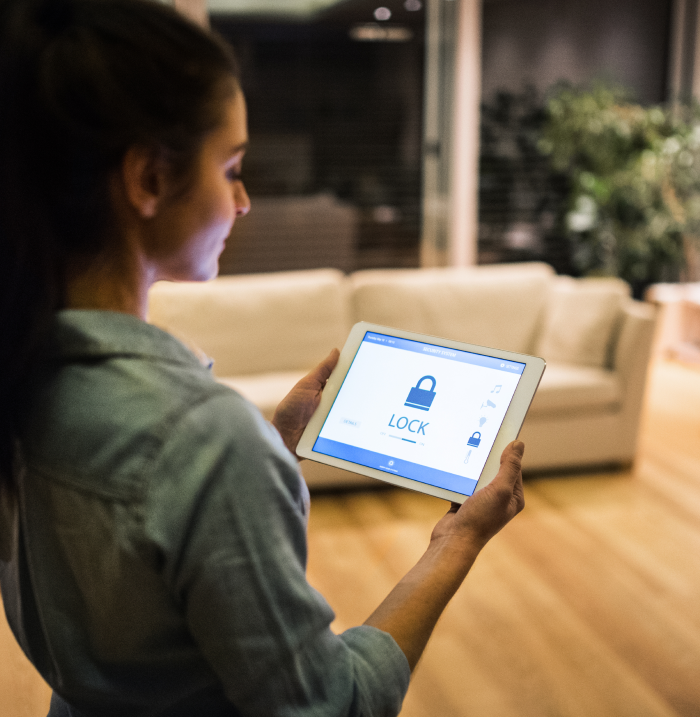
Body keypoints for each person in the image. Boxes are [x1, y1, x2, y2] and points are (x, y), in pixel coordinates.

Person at [0, 0, 526, 715]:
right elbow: (331, 704)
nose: (244, 202)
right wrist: (456, 540)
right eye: (233, 166)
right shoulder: (200, 438)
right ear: (150, 179)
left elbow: (134, 593)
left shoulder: (25, 371)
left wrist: (272, 444)